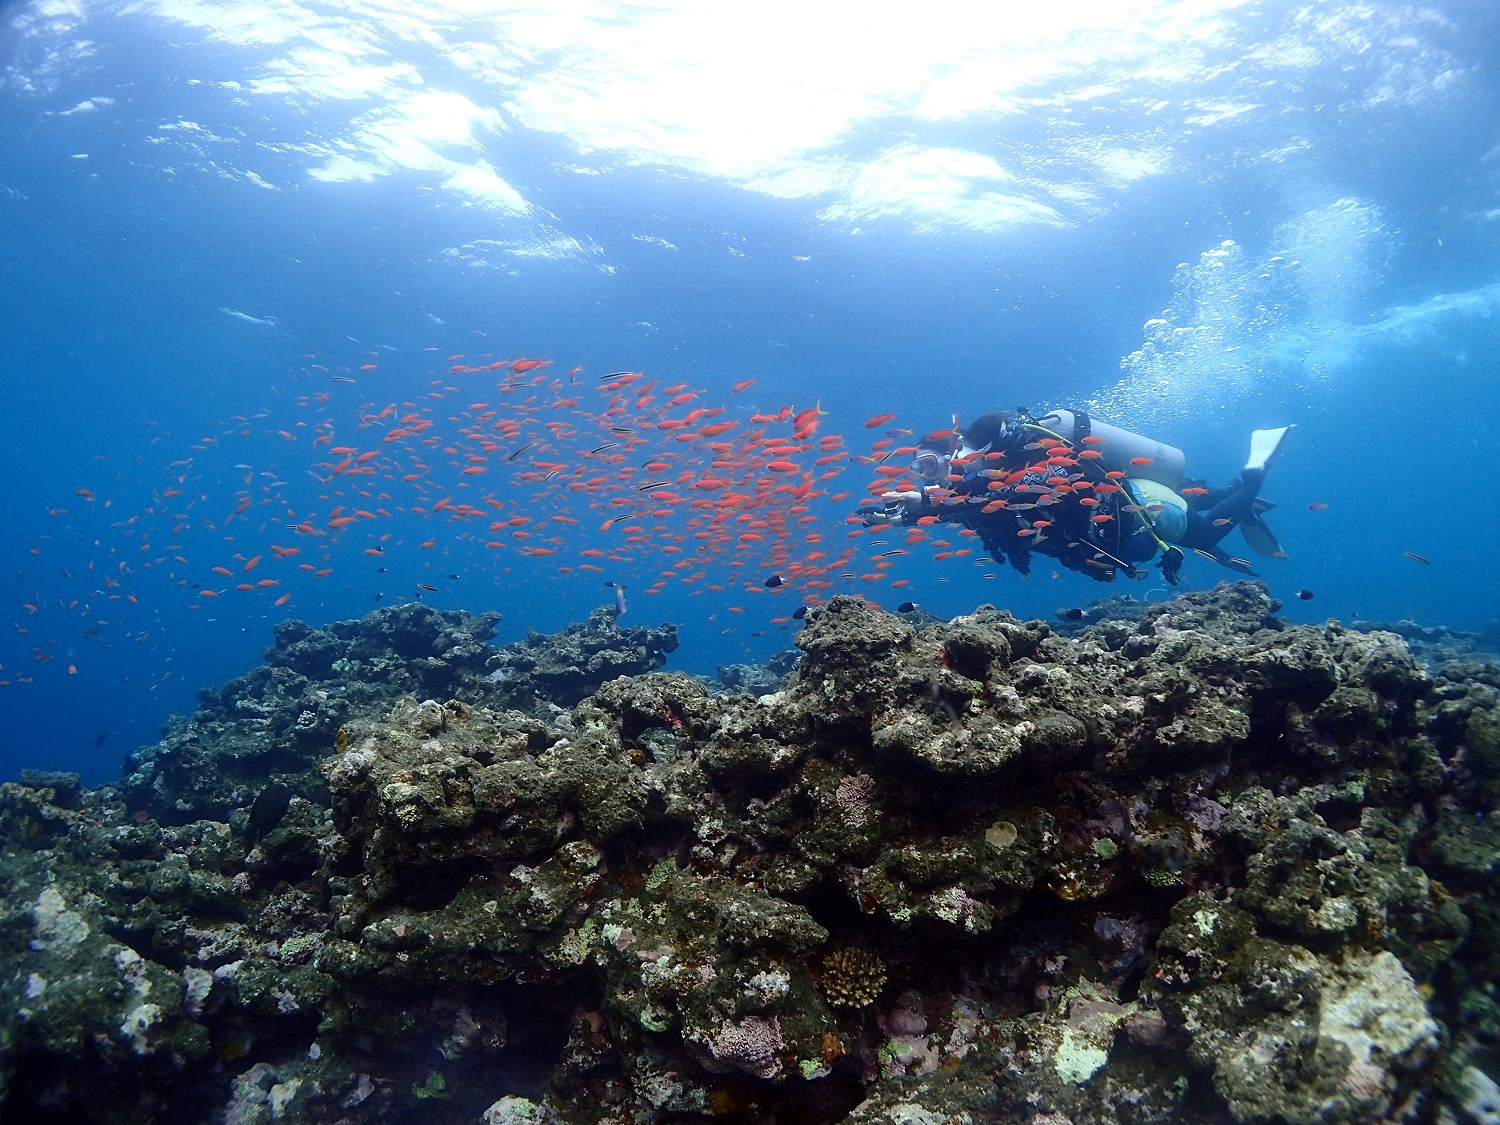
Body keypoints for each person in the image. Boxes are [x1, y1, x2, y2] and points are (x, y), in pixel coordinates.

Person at [859, 408, 1292, 585]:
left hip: (1142, 515)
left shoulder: (1031, 460)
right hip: (1126, 512)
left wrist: (931, 503)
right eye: (920, 470)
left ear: (958, 449)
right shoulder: (980, 487)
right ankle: (1238, 497)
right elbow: (977, 509)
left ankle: (1254, 474)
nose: (931, 477)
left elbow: (1019, 491)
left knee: (1207, 534)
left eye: (931, 464)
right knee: (1198, 505)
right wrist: (905, 517)